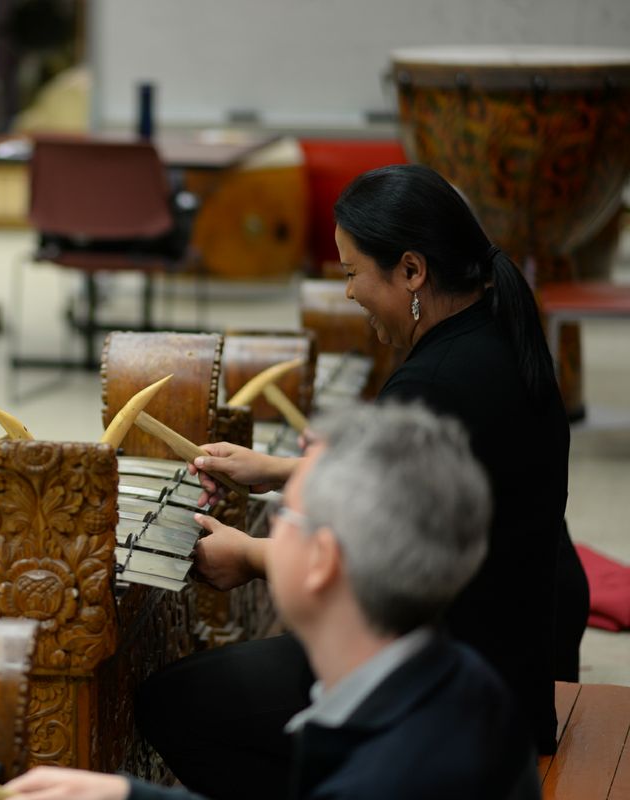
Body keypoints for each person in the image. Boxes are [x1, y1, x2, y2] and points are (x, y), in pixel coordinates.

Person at [135, 163, 589, 799]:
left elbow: (371, 562)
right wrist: (276, 472)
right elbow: (426, 485)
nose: (346, 293)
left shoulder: (434, 383)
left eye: (351, 273)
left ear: (411, 271)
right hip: (511, 639)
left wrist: (249, 554)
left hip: (459, 667)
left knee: (174, 701)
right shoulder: (496, 331)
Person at [3, 403, 540, 800]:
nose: (269, 532)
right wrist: (129, 795)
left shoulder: (387, 777)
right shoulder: (469, 681)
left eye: (285, 519)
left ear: (322, 561)